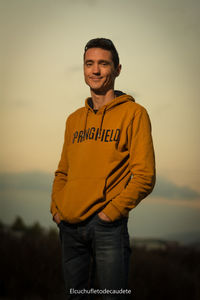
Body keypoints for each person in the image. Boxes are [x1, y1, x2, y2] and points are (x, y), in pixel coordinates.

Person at [50, 38, 156, 299]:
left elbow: (144, 175)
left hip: (107, 228)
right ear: (84, 68)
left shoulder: (134, 113)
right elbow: (63, 172)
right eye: (89, 64)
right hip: (70, 229)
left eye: (103, 64)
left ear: (117, 69)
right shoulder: (74, 119)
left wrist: (111, 213)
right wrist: (57, 210)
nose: (95, 70)